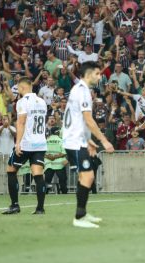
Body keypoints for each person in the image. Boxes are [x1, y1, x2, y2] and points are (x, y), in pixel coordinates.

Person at [62, 62, 114, 228]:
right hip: (74, 141)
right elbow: (88, 119)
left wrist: (89, 140)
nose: (100, 77)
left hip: (77, 139)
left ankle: (82, 213)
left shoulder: (79, 89)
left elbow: (77, 118)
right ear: (89, 74)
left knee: (86, 176)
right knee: (88, 176)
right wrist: (103, 140)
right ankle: (79, 217)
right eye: (98, 73)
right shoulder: (82, 91)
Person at [3, 77, 48, 215]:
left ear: (22, 88)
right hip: (40, 144)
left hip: (26, 144)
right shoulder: (42, 101)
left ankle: (15, 205)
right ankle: (40, 208)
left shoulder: (22, 102)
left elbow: (21, 123)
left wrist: (17, 143)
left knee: (11, 170)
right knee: (38, 175)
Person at [44, 127, 68, 194]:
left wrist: (49, 156)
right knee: (62, 181)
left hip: (49, 163)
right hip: (59, 164)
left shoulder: (46, 140)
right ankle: (64, 194)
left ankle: (45, 194)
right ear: (58, 132)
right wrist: (55, 156)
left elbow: (42, 152)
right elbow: (64, 153)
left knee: (47, 181)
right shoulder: (61, 140)